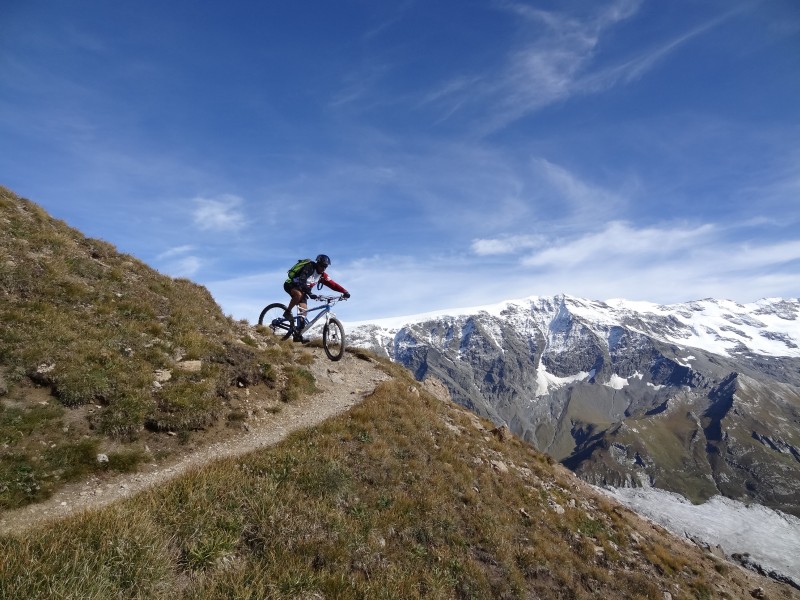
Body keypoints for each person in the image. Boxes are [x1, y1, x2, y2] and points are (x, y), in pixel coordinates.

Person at [283, 254, 350, 342]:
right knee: (298, 295)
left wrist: (344, 291)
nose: (323, 268)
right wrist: (310, 293)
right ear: (317, 263)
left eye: (325, 266)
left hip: (304, 291)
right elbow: (302, 281)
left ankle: (297, 335)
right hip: (291, 285)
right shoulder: (309, 267)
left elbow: (333, 284)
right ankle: (287, 312)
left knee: (303, 312)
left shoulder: (322, 275)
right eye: (322, 265)